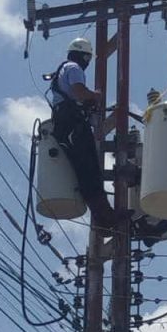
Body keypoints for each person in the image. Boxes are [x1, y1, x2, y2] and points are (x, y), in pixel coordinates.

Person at [47, 38, 118, 229]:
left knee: (84, 170)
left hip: (63, 124)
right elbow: (80, 92)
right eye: (87, 57)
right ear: (83, 56)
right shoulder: (74, 68)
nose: (87, 62)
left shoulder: (62, 69)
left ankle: (102, 218)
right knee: (90, 168)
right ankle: (106, 215)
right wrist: (95, 95)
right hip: (73, 124)